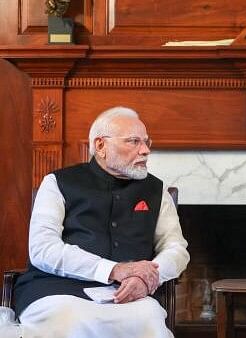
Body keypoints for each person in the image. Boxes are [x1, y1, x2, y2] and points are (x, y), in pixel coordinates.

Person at [13, 106, 190, 338]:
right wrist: (114, 269)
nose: (145, 151)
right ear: (100, 146)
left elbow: (177, 249)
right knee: (68, 317)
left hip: (127, 294)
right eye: (134, 141)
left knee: (149, 317)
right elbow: (43, 250)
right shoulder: (57, 183)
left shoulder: (157, 190)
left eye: (147, 142)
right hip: (55, 289)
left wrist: (145, 278)